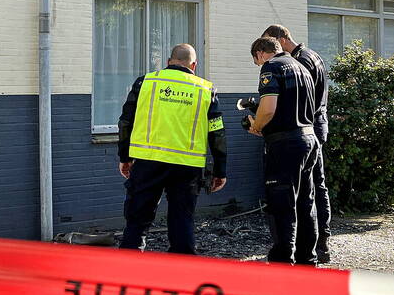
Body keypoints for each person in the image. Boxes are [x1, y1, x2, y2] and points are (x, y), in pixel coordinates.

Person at [117, 43, 227, 255]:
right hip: (187, 167)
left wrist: (125, 157)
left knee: (137, 219)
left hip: (148, 161)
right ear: (193, 65)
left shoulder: (145, 82)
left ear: (168, 62)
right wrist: (220, 170)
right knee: (182, 219)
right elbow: (217, 132)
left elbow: (125, 122)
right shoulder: (205, 89)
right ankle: (182, 271)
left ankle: (128, 268)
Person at [262, 24, 332, 263]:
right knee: (311, 190)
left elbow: (296, 101)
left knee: (303, 193)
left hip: (300, 130)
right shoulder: (312, 56)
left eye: (269, 43)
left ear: (280, 39)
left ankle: (316, 246)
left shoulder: (299, 61)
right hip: (313, 129)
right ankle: (315, 250)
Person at [246, 36, 318, 265]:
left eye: (256, 61)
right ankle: (308, 257)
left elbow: (268, 109)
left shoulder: (271, 67)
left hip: (285, 143)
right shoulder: (302, 67)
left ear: (260, 53)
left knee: (281, 203)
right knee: (306, 201)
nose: (258, 65)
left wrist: (256, 126)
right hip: (308, 138)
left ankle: (282, 260)